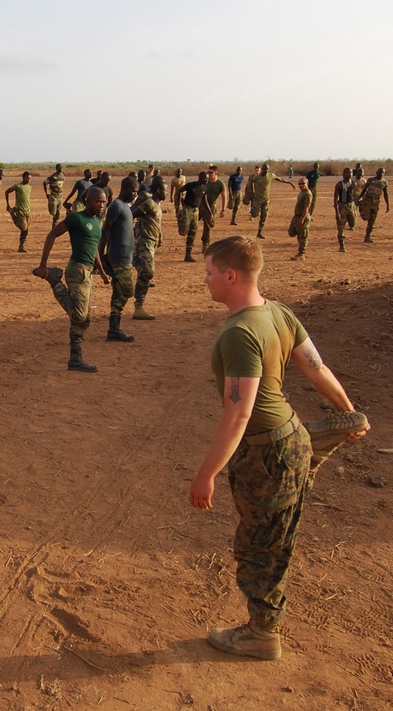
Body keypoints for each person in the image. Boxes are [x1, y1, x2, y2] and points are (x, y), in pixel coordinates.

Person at [189, 235, 367, 660]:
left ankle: (262, 633)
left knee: (259, 546)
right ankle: (263, 625)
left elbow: (238, 415)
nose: (206, 280)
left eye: (210, 273)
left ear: (231, 276)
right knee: (276, 535)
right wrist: (349, 411)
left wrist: (206, 474)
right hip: (291, 437)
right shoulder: (279, 314)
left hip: (267, 455)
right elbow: (317, 369)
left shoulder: (240, 333)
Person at [33, 187, 110, 373]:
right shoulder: (77, 218)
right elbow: (51, 235)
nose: (101, 205)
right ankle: (54, 281)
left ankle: (75, 359)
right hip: (77, 270)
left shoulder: (97, 223)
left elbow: (95, 252)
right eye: (97, 201)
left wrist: (103, 272)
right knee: (79, 315)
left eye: (103, 202)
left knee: (84, 320)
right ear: (87, 201)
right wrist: (43, 265)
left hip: (88, 272)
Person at [98, 176, 139, 342]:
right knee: (129, 290)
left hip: (126, 257)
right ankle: (114, 328)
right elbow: (105, 232)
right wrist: (100, 257)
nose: (135, 195)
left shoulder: (126, 207)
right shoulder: (116, 206)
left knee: (118, 293)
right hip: (118, 258)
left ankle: (113, 329)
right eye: (134, 191)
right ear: (126, 189)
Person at [131, 175, 163, 320]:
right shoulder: (149, 203)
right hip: (144, 241)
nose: (167, 193)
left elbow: (156, 223)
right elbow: (132, 213)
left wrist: (160, 236)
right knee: (147, 272)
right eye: (165, 190)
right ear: (158, 190)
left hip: (151, 242)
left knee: (144, 271)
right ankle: (139, 306)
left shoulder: (157, 205)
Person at [250, 163, 296, 239]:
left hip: (266, 199)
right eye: (265, 169)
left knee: (264, 217)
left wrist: (289, 182)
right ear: (262, 169)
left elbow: (280, 179)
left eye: (267, 169)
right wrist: (252, 191)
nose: (266, 170)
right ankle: (251, 210)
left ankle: (259, 232)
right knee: (255, 214)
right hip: (257, 199)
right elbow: (251, 182)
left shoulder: (271, 175)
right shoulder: (257, 177)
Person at [176, 171, 207, 262]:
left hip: (196, 211)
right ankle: (180, 219)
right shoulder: (191, 185)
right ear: (200, 178)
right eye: (205, 178)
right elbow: (179, 191)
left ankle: (188, 254)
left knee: (192, 232)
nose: (206, 180)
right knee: (183, 232)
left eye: (207, 178)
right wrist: (178, 205)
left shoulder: (204, 188)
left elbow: (204, 201)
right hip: (187, 209)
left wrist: (208, 212)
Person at [356, 167, 389, 243]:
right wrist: (359, 198)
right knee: (365, 217)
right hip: (368, 200)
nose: (381, 173)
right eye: (380, 172)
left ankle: (367, 236)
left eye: (383, 172)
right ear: (376, 172)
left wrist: (388, 205)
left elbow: (386, 194)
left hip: (376, 202)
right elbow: (364, 189)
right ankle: (361, 205)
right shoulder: (371, 180)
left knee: (372, 220)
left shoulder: (384, 182)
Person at [4, 171, 33, 252]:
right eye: (27, 178)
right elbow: (7, 192)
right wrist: (8, 205)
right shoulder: (18, 186)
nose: (29, 180)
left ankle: (21, 246)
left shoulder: (30, 187)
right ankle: (12, 213)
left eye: (30, 179)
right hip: (20, 210)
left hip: (27, 210)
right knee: (23, 227)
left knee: (26, 229)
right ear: (23, 178)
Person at [200, 166, 227, 249]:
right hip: (201, 206)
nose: (209, 174)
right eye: (208, 172)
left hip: (211, 207)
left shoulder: (220, 183)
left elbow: (224, 197)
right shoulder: (206, 182)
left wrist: (223, 210)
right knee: (191, 223)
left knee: (208, 226)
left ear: (216, 173)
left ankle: (205, 244)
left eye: (211, 172)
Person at [288, 177, 313, 260]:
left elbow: (306, 208)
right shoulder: (302, 193)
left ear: (307, 184)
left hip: (302, 216)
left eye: (303, 184)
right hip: (297, 216)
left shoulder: (307, 194)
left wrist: (302, 219)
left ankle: (301, 253)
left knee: (303, 236)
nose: (301, 185)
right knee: (291, 232)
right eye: (299, 184)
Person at [334, 167, 356, 253]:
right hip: (342, 206)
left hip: (351, 205)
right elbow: (335, 199)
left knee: (353, 223)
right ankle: (342, 244)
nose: (350, 174)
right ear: (344, 174)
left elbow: (353, 195)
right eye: (348, 173)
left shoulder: (353, 184)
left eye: (351, 173)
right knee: (341, 226)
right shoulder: (339, 185)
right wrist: (337, 212)